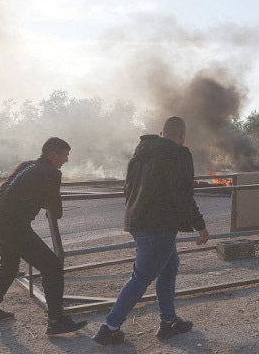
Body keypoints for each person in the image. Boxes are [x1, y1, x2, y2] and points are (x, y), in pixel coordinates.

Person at [93, 117, 209, 346]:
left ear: (161, 132)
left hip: (139, 220)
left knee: (169, 269)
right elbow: (183, 194)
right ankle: (109, 328)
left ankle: (169, 322)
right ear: (182, 135)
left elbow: (129, 187)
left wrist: (134, 215)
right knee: (142, 277)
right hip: (159, 226)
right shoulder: (177, 153)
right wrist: (200, 225)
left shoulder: (141, 153)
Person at [0, 137, 87, 336]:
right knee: (52, 266)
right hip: (12, 225)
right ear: (53, 155)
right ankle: (56, 321)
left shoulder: (25, 165)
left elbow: (14, 190)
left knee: (10, 265)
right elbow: (55, 210)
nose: (66, 160)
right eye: (65, 156)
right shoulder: (52, 173)